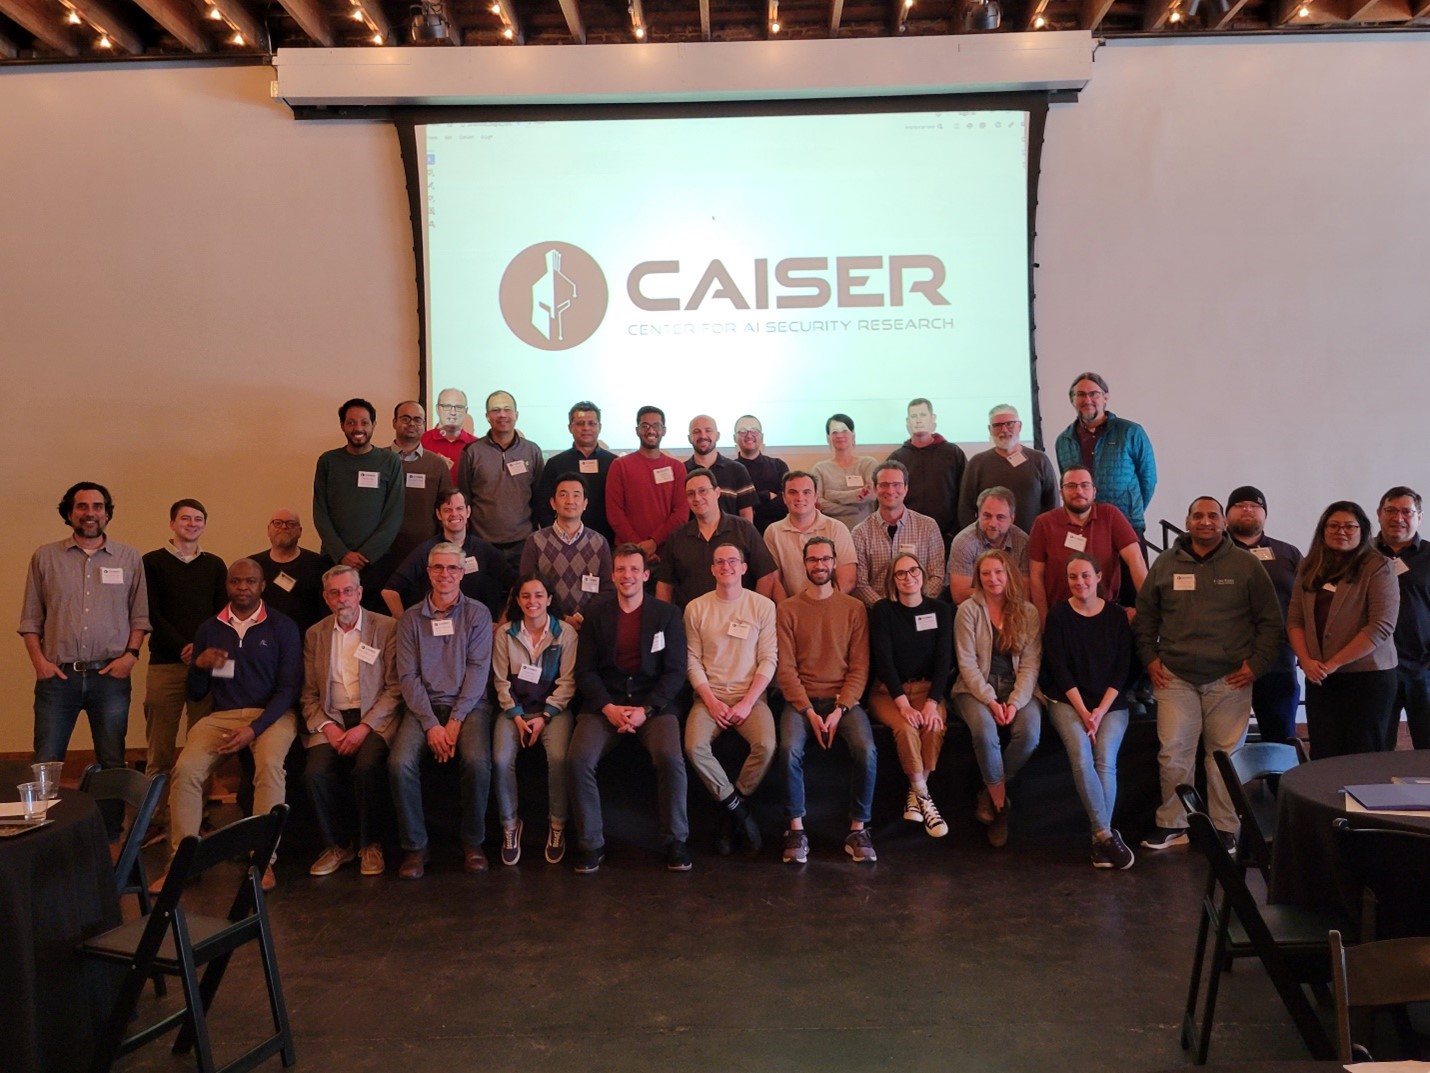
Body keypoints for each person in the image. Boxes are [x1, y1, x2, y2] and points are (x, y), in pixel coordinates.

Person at [1136, 497, 1284, 849]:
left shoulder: (1246, 564)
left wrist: (1256, 665)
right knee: (1173, 754)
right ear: (1187, 521)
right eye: (1198, 515)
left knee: (1224, 758)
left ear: (1223, 522)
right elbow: (1145, 618)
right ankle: (1174, 824)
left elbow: (1270, 621)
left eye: (1212, 516)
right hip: (1175, 677)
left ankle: (1224, 828)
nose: (1205, 521)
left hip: (1229, 678)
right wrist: (1150, 659)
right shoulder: (1166, 564)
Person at [163, 558, 301, 891]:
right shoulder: (209, 628)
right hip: (222, 717)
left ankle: (263, 862)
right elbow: (196, 695)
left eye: (250, 582)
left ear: (262, 586)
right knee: (186, 770)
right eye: (235, 582)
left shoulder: (282, 626)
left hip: (272, 715)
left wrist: (254, 729)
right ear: (227, 586)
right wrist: (198, 665)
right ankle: (182, 863)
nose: (242, 588)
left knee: (268, 766)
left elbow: (288, 690)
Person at [20, 481, 149, 835]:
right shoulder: (45, 557)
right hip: (57, 677)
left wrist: (130, 656)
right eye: (82, 507)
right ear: (69, 512)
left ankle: (108, 836)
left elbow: (139, 617)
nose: (90, 513)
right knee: (46, 760)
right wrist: (39, 663)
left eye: (97, 506)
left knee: (111, 761)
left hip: (110, 676)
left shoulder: (129, 558)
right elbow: (31, 619)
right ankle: (42, 834)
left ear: (107, 512)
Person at [568, 544, 691, 873]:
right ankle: (591, 844)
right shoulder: (596, 615)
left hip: (653, 705)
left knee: (670, 757)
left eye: (634, 570)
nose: (627, 576)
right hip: (605, 704)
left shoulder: (667, 615)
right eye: (621, 570)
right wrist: (608, 707)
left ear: (646, 575)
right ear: (612, 575)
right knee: (578, 759)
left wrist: (646, 710)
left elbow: (676, 671)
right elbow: (585, 672)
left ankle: (675, 840)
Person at [389, 542, 495, 879]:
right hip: (423, 709)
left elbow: (478, 671)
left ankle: (473, 841)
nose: (445, 574)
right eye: (438, 568)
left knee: (477, 761)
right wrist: (433, 725)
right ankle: (415, 847)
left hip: (470, 705)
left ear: (462, 573)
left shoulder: (478, 614)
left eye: (452, 568)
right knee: (398, 763)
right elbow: (407, 676)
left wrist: (456, 721)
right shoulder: (409, 620)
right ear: (428, 572)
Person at [775, 536, 877, 864]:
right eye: (813, 560)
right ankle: (796, 829)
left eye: (825, 559)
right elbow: (786, 670)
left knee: (867, 750)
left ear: (835, 563)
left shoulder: (854, 609)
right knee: (789, 750)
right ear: (804, 565)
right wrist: (807, 710)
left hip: (841, 702)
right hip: (800, 701)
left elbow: (860, 668)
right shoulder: (788, 608)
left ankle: (858, 829)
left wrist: (839, 710)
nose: (819, 565)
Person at [300, 565, 401, 878]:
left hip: (374, 718)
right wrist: (328, 727)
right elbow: (309, 694)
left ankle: (371, 844)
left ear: (359, 593)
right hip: (331, 718)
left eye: (347, 591)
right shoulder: (315, 634)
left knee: (367, 767)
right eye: (334, 593)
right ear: (326, 598)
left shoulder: (385, 628)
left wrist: (364, 727)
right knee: (315, 772)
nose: (342, 598)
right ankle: (337, 846)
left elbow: (395, 688)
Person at [683, 542, 778, 857]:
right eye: (720, 562)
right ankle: (739, 811)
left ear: (743, 568)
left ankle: (730, 807)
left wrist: (748, 702)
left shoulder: (762, 606)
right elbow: (692, 660)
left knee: (766, 745)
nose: (726, 567)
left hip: (750, 697)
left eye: (732, 561)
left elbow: (768, 659)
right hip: (710, 697)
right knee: (694, 746)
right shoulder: (696, 608)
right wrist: (710, 701)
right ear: (712, 569)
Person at [1041, 553, 1135, 870]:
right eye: (1072, 577)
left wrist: (1098, 712)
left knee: (1105, 759)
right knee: (1081, 756)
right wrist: (1084, 712)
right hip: (1068, 702)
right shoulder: (1058, 616)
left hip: (1110, 704)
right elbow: (1059, 669)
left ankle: (1100, 841)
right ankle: (1105, 835)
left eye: (1085, 576)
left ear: (1098, 577)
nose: (1079, 582)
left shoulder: (1117, 617)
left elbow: (1123, 670)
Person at [141, 498, 226, 847]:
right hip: (165, 663)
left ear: (204, 525)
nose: (192, 524)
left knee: (201, 747)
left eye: (198, 519)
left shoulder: (215, 565)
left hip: (205, 667)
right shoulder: (151, 562)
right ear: (172, 523)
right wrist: (183, 647)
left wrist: (201, 649)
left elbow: (221, 612)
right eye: (185, 518)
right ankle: (157, 819)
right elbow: (149, 613)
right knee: (159, 750)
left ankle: (198, 817)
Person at [1286, 501, 1399, 759]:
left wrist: (1334, 663)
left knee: (1363, 756)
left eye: (1350, 526)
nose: (1342, 531)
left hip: (1367, 679)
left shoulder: (1378, 566)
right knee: (1325, 754)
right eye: (1334, 525)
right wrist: (1305, 661)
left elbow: (1380, 627)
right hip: (1320, 678)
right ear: (1323, 530)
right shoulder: (1309, 567)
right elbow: (1294, 620)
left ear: (1362, 530)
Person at [952, 549, 1042, 849]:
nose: (993, 579)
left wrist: (1015, 702)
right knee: (985, 732)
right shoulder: (968, 610)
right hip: (976, 688)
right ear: (978, 578)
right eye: (986, 573)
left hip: (1018, 688)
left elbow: (1030, 665)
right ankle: (1002, 807)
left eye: (999, 572)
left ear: (1009, 575)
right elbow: (967, 664)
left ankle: (988, 790)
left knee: (1029, 733)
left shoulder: (1027, 611)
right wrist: (991, 701)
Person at [490, 573, 577, 867]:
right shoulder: (505, 634)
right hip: (514, 712)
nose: (533, 602)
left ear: (550, 600)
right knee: (501, 760)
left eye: (539, 595)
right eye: (526, 596)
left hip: (552, 712)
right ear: (517, 600)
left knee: (559, 758)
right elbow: (500, 681)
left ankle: (557, 827)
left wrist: (545, 716)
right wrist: (515, 715)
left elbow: (567, 682)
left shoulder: (565, 633)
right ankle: (510, 826)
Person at [867, 552, 952, 839]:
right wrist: (903, 704)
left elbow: (944, 660)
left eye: (913, 570)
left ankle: (916, 794)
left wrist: (931, 704)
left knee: (932, 725)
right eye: (900, 573)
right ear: (892, 580)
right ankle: (926, 800)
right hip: (888, 693)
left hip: (929, 690)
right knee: (905, 727)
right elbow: (884, 662)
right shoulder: (883, 611)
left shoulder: (940, 610)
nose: (908, 577)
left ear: (923, 575)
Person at [1225, 486, 1304, 746]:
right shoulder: (1213, 553)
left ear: (1265, 514)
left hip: (1277, 662)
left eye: (1255, 505)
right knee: (1223, 743)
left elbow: (1307, 602)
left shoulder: (1288, 554)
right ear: (1226, 515)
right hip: (1225, 665)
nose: (1248, 509)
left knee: (1281, 740)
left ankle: (1280, 788)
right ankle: (1226, 789)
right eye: (1240, 505)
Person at [313, 397, 404, 612]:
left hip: (375, 564)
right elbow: (320, 512)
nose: (358, 428)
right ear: (342, 426)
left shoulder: (389, 461)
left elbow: (394, 514)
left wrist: (366, 555)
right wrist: (342, 554)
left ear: (373, 425)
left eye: (364, 422)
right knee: (335, 623)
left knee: (374, 627)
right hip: (334, 560)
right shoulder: (328, 461)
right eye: (351, 422)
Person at [1028, 467, 1146, 623]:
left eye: (1085, 485)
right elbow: (1036, 576)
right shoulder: (1044, 523)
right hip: (1061, 618)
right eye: (1071, 486)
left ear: (1094, 491)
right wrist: (1044, 622)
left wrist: (1148, 609)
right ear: (1061, 492)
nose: (1079, 491)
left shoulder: (1110, 515)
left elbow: (1135, 559)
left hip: (1106, 614)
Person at [1053, 372, 1158, 539]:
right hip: (1083, 527)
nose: (1087, 400)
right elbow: (1068, 483)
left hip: (1126, 524)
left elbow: (1148, 478)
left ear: (1105, 397)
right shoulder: (1064, 441)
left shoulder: (1130, 432)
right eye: (1080, 394)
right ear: (1072, 400)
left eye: (1094, 394)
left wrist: (1132, 508)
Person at [381, 488, 509, 621]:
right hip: (435, 629)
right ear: (439, 514)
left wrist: (502, 625)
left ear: (468, 511)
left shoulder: (484, 550)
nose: (454, 514)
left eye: (459, 508)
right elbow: (389, 591)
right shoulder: (426, 550)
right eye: (447, 510)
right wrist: (406, 625)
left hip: (475, 629)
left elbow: (516, 586)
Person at [657, 468, 779, 608]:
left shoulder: (744, 529)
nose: (697, 498)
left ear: (717, 492)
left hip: (739, 621)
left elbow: (766, 576)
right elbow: (664, 585)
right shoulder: (677, 538)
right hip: (692, 623)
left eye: (703, 491)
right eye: (691, 494)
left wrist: (753, 613)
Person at [457, 389, 544, 574]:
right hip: (482, 543)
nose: (502, 414)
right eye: (496, 410)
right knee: (485, 598)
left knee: (521, 598)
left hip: (523, 543)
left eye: (507, 409)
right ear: (487, 416)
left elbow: (538, 497)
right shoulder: (472, 452)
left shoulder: (532, 451)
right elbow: (465, 498)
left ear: (516, 414)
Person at [520, 473, 614, 629]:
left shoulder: (599, 542)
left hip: (589, 625)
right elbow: (526, 587)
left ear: (585, 503)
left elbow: (607, 589)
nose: (570, 501)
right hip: (546, 625)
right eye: (563, 495)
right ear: (553, 503)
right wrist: (561, 618)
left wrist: (583, 616)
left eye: (576, 495)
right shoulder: (535, 541)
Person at [1374, 487, 1430, 749]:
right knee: (1377, 749)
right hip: (1376, 669)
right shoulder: (1361, 556)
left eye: (1406, 512)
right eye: (1391, 510)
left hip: (1424, 668)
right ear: (1378, 514)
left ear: (1419, 517)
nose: (1398, 517)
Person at [850, 460, 945, 608]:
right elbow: (860, 584)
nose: (890, 490)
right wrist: (887, 609)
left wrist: (915, 603)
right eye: (884, 485)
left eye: (896, 485)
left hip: (920, 609)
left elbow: (937, 577)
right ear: (875, 489)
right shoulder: (860, 533)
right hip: (878, 611)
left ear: (906, 489)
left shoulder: (928, 526)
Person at [606, 405, 689, 566]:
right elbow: (615, 514)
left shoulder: (677, 468)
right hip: (628, 555)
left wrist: (653, 542)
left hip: (668, 554)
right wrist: (639, 548)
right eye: (645, 426)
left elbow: (681, 514)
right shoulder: (620, 466)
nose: (651, 431)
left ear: (664, 430)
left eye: (656, 426)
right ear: (637, 430)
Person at [957, 405, 1058, 532]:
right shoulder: (977, 463)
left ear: (1019, 426)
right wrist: (978, 542)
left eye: (1010, 424)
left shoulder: (1040, 460)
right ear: (990, 430)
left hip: (1033, 542)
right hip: (990, 548)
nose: (1004, 429)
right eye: (997, 425)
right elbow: (965, 509)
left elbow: (1052, 506)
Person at [763, 469, 857, 600]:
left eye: (806, 492)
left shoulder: (836, 528)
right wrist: (787, 610)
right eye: (793, 492)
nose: (800, 498)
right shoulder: (773, 532)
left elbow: (848, 578)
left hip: (831, 606)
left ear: (815, 496)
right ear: (784, 498)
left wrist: (822, 607)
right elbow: (775, 580)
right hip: (792, 609)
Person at [533, 401, 617, 543]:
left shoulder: (614, 463)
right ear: (570, 428)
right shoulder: (556, 464)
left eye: (591, 423)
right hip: (563, 541)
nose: (586, 428)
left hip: (607, 541)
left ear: (600, 427)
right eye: (580, 423)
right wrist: (555, 535)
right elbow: (543, 504)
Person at [887, 397, 965, 544]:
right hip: (907, 535)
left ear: (932, 419)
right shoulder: (897, 458)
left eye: (923, 415)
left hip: (947, 536)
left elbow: (965, 496)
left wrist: (955, 531)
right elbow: (888, 497)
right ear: (907, 422)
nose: (918, 420)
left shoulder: (953, 453)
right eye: (913, 416)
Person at [388, 400, 453, 571]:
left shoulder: (437, 464)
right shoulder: (378, 460)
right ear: (394, 422)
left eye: (418, 420)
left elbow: (446, 508)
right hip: (384, 552)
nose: (412, 424)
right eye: (406, 418)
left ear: (424, 425)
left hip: (425, 552)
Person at [946, 486, 1030, 605]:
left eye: (1000, 517)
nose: (993, 523)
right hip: (974, 607)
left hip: (1012, 607)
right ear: (978, 515)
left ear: (1012, 519)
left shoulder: (1023, 542)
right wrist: (999, 595)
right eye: (987, 516)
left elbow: (1024, 592)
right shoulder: (964, 542)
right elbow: (959, 595)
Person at [250, 508, 328, 634]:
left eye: (291, 523)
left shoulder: (319, 565)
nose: (284, 527)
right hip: (263, 640)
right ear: (268, 530)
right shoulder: (253, 565)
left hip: (306, 641)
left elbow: (326, 611)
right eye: (277, 523)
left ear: (300, 531)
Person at [812, 413, 878, 531]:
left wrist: (831, 495)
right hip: (830, 533)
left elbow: (871, 494)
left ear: (853, 435)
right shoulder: (819, 469)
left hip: (866, 531)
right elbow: (818, 503)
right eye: (834, 432)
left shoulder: (868, 464)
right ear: (828, 438)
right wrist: (853, 509)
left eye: (844, 430)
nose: (840, 435)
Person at [684, 414, 756, 521]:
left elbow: (746, 514)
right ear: (689, 438)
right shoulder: (681, 471)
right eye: (696, 431)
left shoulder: (737, 470)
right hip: (691, 537)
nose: (703, 435)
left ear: (717, 435)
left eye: (708, 430)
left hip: (732, 537)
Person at [733, 414, 789, 533]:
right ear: (734, 438)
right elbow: (731, 508)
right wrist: (766, 496)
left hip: (778, 534)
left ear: (762, 436)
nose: (749, 435)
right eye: (742, 431)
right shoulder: (728, 469)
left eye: (754, 431)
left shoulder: (778, 466)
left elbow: (786, 503)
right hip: (741, 534)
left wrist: (748, 504)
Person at [420, 387, 477, 470]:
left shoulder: (476, 446)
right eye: (447, 406)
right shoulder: (422, 441)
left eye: (459, 407)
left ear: (466, 411)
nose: (453, 412)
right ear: (437, 409)